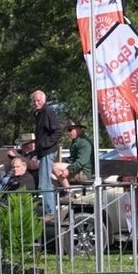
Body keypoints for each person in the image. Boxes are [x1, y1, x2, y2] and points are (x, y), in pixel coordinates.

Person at [32, 90, 61, 218]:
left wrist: (45, 144)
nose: (36, 103)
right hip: (43, 151)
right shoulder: (38, 114)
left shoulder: (47, 112)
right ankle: (49, 209)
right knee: (45, 181)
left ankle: (50, 212)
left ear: (44, 100)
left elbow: (58, 131)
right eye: (34, 101)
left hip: (47, 151)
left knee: (44, 183)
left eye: (38, 101)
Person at [52, 121, 93, 188]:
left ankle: (68, 192)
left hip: (84, 173)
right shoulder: (76, 142)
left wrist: (68, 170)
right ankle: (60, 194)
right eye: (67, 130)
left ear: (78, 129)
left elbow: (81, 162)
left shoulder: (84, 142)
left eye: (70, 130)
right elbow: (72, 159)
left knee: (55, 167)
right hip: (77, 170)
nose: (68, 133)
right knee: (50, 172)